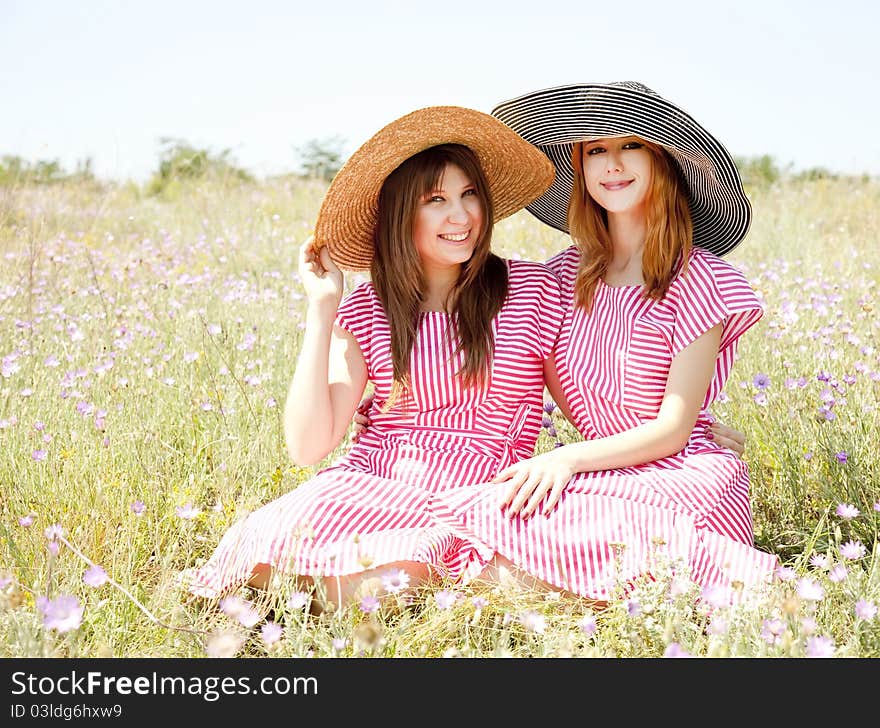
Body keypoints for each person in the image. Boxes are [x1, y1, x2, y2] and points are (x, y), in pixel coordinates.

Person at [185, 105, 563, 609]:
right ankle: (291, 596)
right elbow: (308, 446)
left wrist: (687, 432)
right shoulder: (369, 307)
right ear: (400, 214)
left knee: (408, 566)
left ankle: (297, 601)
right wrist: (321, 310)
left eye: (469, 195)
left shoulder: (532, 289)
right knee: (265, 536)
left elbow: (585, 396)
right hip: (373, 482)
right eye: (436, 200)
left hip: (474, 491)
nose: (461, 216)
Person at [428, 82, 780, 605]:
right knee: (477, 517)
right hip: (599, 467)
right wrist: (390, 399)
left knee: (532, 539)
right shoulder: (562, 278)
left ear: (664, 161)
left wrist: (566, 459)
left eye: (631, 144)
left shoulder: (699, 278)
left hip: (680, 474)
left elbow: (672, 430)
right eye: (595, 149)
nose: (612, 163)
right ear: (581, 167)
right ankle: (618, 582)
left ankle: (716, 580)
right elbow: (485, 340)